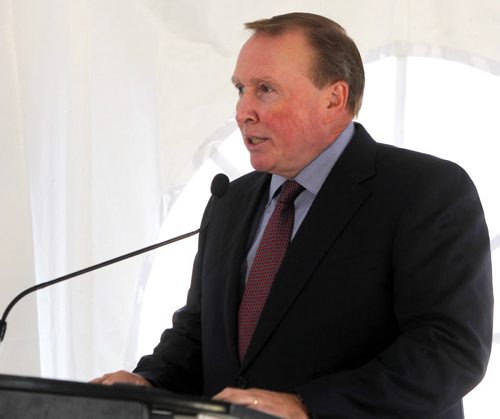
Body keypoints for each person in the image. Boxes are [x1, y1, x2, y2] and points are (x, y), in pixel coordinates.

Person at [92, 12, 493, 418]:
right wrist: (148, 382)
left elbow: (450, 349)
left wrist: (309, 407)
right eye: (240, 89)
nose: (243, 111)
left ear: (334, 99)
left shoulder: (425, 190)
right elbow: (199, 331)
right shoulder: (231, 200)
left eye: (265, 89)